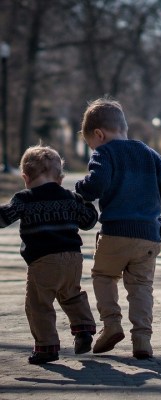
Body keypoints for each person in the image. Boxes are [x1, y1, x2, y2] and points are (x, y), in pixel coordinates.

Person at [75, 97, 161, 359]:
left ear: (99, 134)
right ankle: (142, 339)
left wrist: (81, 189)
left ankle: (111, 324)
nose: (93, 149)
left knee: (103, 276)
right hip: (148, 236)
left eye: (91, 144)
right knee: (141, 286)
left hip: (115, 233)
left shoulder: (104, 153)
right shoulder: (151, 155)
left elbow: (96, 184)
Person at [0, 145, 98, 364]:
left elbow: (4, 218)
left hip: (43, 260)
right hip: (73, 259)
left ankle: (46, 347)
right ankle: (83, 329)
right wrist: (87, 202)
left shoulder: (24, 199)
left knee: (38, 304)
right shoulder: (71, 197)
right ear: (60, 179)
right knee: (71, 294)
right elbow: (89, 221)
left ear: (25, 177)